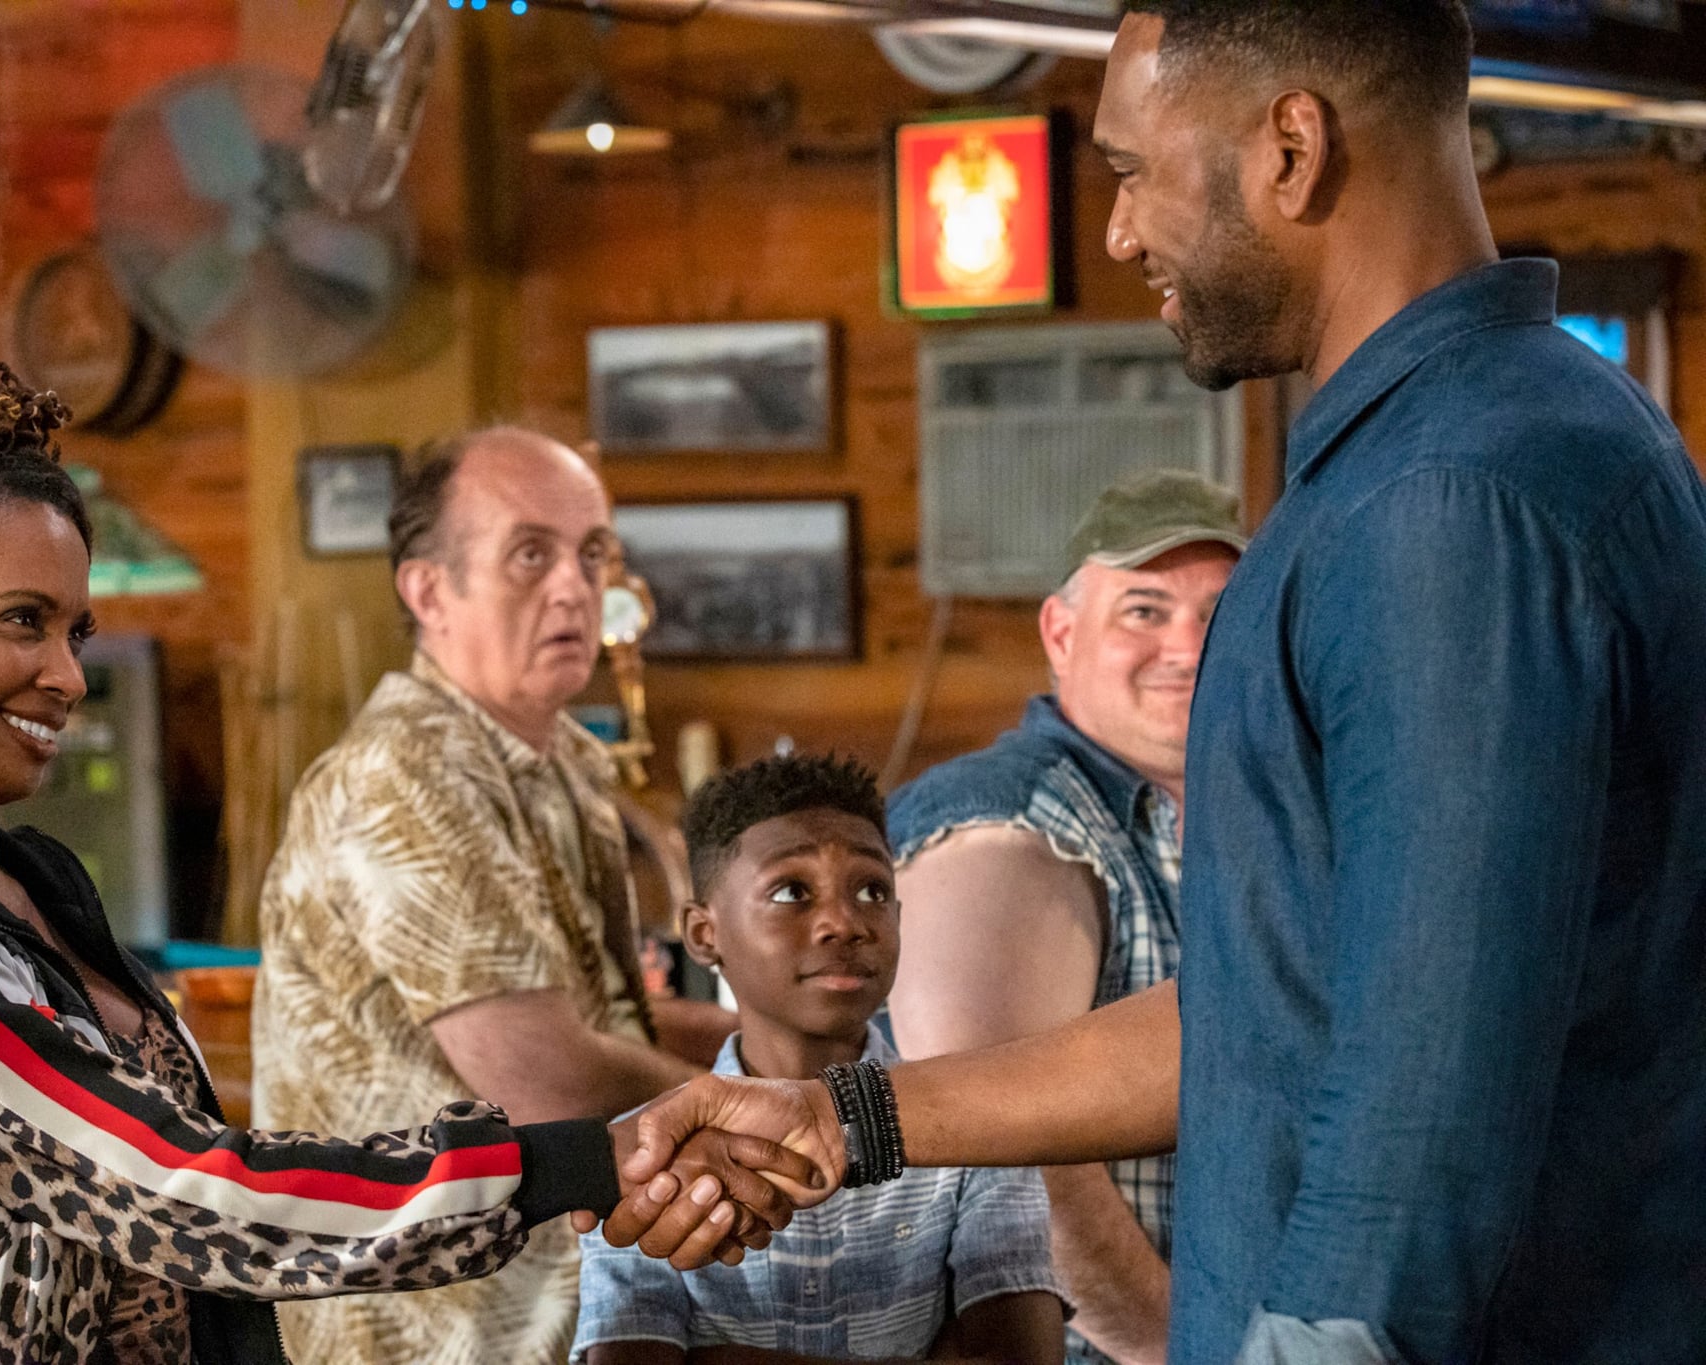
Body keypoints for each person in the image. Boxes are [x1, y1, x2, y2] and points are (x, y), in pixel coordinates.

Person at [601, 4, 1706, 1362]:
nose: (1118, 231)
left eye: (1132, 170)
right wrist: (851, 1118)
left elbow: (1427, 1096)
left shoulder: (1449, 498)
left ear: (1290, 151)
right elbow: (1276, 1003)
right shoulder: (1470, 446)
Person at [0, 332, 807, 1365]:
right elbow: (183, 1190)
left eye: (75, 632)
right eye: (23, 622)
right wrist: (592, 1157)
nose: (69, 675)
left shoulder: (36, 879)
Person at [254, 426, 735, 1365]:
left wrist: (798, 1058)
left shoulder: (549, 763)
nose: (574, 587)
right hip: (439, 1327)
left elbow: (609, 1025)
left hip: (562, 1295)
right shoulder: (406, 773)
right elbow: (547, 1076)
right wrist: (786, 1103)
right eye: (529, 553)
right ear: (429, 590)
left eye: (592, 553)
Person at [887, 470, 1240, 1365]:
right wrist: (1170, 1345)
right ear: (1061, 631)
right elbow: (998, 1148)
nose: (1189, 647)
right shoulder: (1008, 819)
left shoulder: (1243, 820)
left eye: (1219, 612)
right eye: (1146, 610)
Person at [575, 755, 1068, 1365]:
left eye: (872, 891)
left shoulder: (978, 1137)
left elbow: (1021, 1355)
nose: (844, 922)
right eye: (791, 892)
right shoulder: (648, 1150)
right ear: (705, 935)